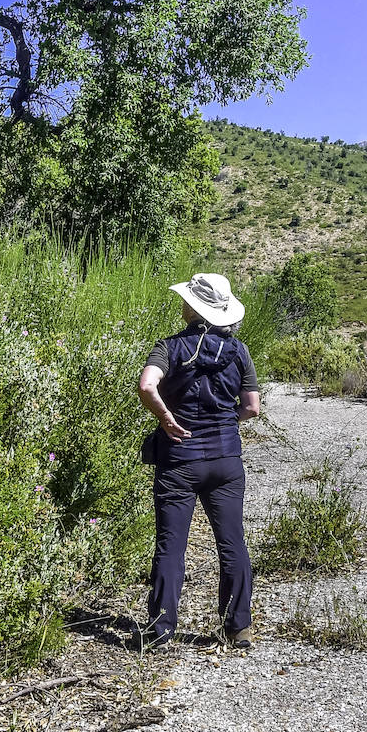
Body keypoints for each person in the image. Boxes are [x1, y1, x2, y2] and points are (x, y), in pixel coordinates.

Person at [137, 272, 260, 651]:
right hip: (225, 460)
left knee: (171, 544)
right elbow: (252, 408)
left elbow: (146, 385)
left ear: (192, 307)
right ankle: (238, 627)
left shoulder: (169, 348)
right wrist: (225, 423)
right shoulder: (238, 351)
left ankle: (160, 631)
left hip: (178, 460)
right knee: (232, 542)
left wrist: (165, 417)